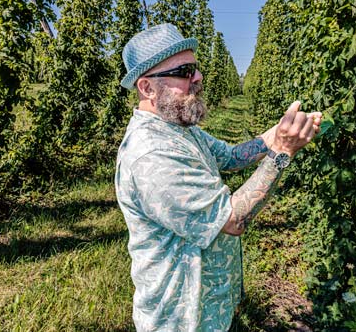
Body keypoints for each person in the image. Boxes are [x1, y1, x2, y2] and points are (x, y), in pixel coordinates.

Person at [115, 23, 322, 332]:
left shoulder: (178, 127)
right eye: (185, 72)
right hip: (181, 317)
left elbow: (230, 157)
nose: (197, 78)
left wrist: (276, 135)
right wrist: (282, 152)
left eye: (195, 69)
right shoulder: (152, 156)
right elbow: (232, 220)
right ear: (147, 88)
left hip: (207, 306)